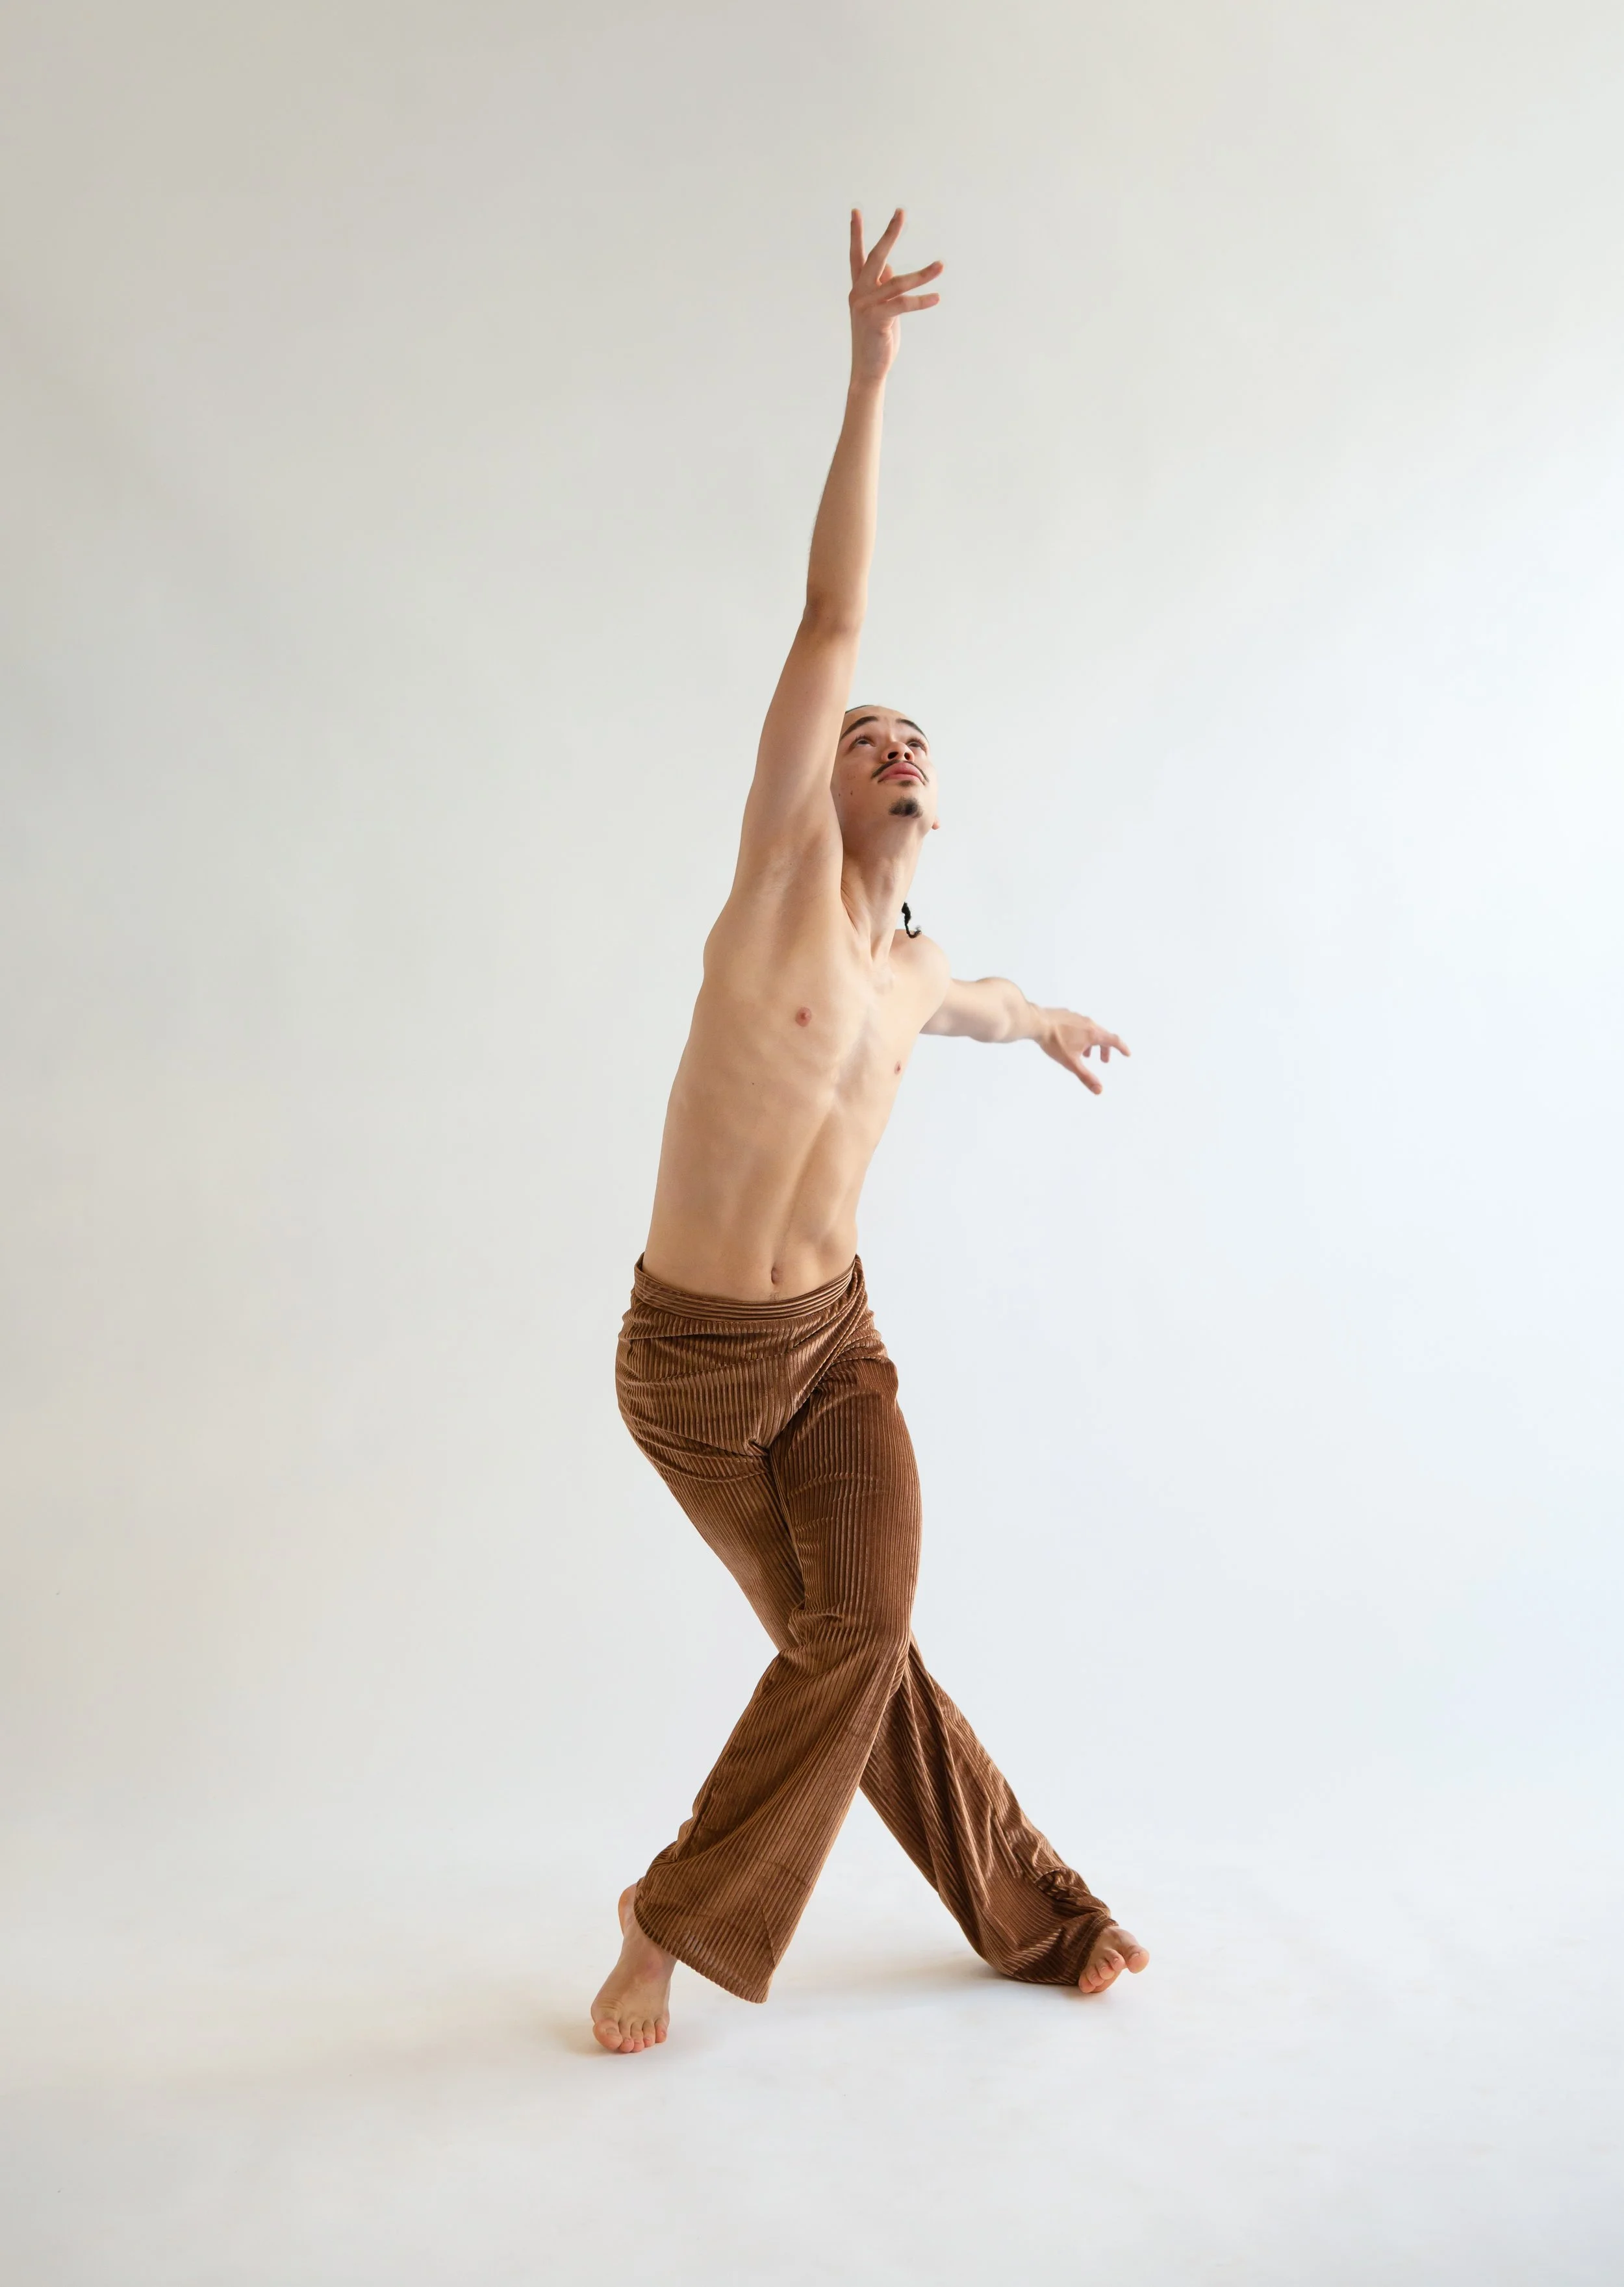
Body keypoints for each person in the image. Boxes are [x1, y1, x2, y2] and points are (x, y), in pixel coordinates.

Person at [591, 208, 1148, 2054]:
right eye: (865, 738)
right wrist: (870, 371)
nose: (893, 743)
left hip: (835, 1350)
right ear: (817, 789)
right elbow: (831, 620)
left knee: (863, 1631)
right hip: (692, 1370)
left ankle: (963, 1916)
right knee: (850, 1659)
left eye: (914, 739)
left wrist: (1047, 1018)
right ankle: (739, 1905)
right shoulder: (773, 897)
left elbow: (988, 1003)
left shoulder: (914, 977)